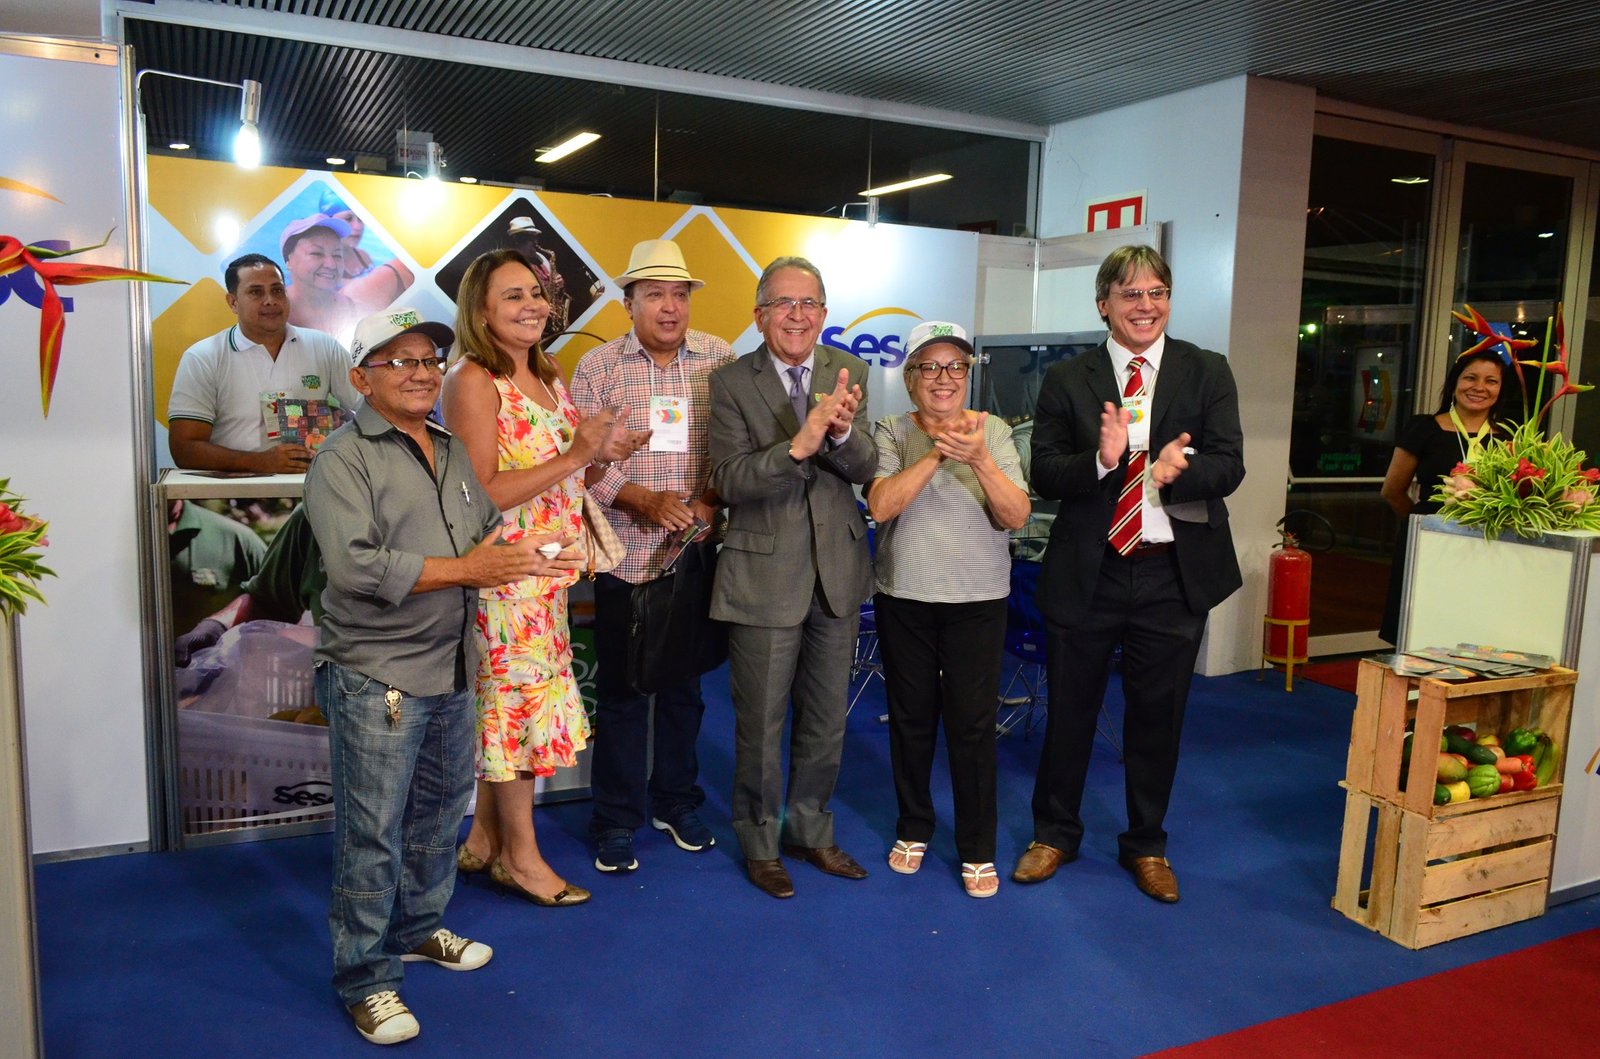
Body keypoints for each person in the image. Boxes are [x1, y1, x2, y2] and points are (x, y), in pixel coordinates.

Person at [304, 306, 581, 1046]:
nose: (422, 373)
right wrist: (470, 569)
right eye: (399, 361)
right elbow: (355, 567)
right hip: (377, 673)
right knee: (373, 834)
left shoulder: (451, 449)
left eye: (429, 359)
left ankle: (418, 927)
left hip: (454, 664)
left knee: (435, 819)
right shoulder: (342, 459)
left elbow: (484, 532)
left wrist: (537, 552)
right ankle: (366, 978)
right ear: (361, 378)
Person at [1015, 244, 1245, 904]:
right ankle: (1053, 834)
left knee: (1157, 718)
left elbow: (1230, 463)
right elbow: (1043, 471)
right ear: (1104, 304)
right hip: (1091, 572)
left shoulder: (1206, 369)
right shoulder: (1069, 378)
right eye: (1130, 294)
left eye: (1156, 292)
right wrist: (1101, 459)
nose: (1145, 305)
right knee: (1070, 712)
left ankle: (1146, 844)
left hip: (1173, 573)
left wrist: (1178, 471)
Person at [441, 249, 645, 906]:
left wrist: (601, 452)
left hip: (548, 575)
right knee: (517, 718)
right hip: (505, 577)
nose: (532, 305)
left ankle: (484, 840)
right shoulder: (472, 380)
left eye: (535, 292)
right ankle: (522, 860)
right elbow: (479, 494)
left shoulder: (548, 371)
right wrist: (578, 453)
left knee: (520, 711)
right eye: (512, 295)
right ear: (480, 311)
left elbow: (565, 466)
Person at [707, 255, 878, 899]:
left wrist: (840, 435)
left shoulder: (849, 371)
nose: (797, 315)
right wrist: (798, 447)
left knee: (827, 718)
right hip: (763, 576)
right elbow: (728, 479)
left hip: (838, 571)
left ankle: (810, 830)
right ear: (760, 315)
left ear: (825, 314)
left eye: (809, 304)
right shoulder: (730, 381)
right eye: (784, 303)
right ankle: (760, 842)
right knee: (760, 723)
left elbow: (867, 466)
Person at [570, 238, 736, 873]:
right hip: (625, 556)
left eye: (679, 295)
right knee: (622, 693)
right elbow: (578, 465)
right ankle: (615, 819)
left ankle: (675, 801)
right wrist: (642, 499)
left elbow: (735, 451)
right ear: (628, 302)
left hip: (692, 555)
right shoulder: (599, 368)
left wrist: (708, 503)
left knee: (685, 690)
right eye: (655, 295)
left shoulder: (719, 359)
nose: (670, 307)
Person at [865, 321, 1030, 898]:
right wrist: (938, 451)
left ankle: (977, 847)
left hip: (978, 600)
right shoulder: (890, 429)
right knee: (910, 719)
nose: (944, 378)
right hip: (904, 596)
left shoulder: (995, 431)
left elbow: (1015, 516)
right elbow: (881, 506)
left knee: (972, 725)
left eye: (956, 366)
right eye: (930, 367)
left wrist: (979, 459)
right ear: (910, 377)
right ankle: (914, 826)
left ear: (968, 374)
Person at [168, 253, 358, 472]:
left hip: (315, 483)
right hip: (237, 490)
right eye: (256, 292)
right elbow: (184, 449)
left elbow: (368, 407)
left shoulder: (324, 347)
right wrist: (259, 462)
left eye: (277, 290)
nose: (270, 300)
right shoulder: (203, 357)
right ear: (233, 302)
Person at [1378, 348, 1511, 644]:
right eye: (1470, 378)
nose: (1479, 387)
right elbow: (1392, 491)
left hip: (1484, 550)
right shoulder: (1424, 427)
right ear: (1454, 384)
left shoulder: (1508, 438)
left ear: (1500, 391)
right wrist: (1424, 525)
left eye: (1491, 381)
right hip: (1429, 543)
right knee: (1418, 630)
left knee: (1470, 630)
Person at [283, 214, 411, 345]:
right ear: (288, 260)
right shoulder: (276, 314)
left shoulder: (352, 309)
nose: (331, 264)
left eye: (337, 255)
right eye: (316, 253)